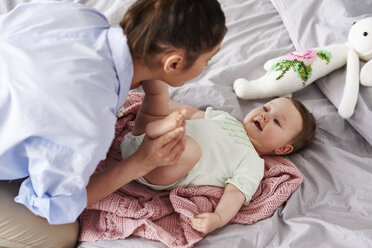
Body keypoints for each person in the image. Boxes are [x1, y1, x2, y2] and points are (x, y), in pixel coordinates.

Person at [0, 0, 226, 247]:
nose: (205, 67)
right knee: (60, 234)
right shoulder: (88, 120)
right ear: (173, 63)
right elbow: (54, 204)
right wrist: (141, 162)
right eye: (207, 60)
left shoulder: (78, 14)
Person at [120, 80, 316, 234]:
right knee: (158, 90)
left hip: (156, 169)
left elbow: (234, 194)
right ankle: (144, 113)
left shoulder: (252, 163)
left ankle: (162, 130)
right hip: (138, 140)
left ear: (282, 149)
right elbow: (192, 113)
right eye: (266, 108)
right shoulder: (226, 118)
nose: (265, 116)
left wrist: (219, 218)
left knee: (190, 149)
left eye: (276, 121)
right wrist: (167, 105)